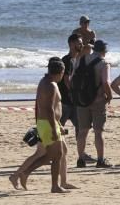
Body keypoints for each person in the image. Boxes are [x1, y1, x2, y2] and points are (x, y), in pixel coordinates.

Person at [10, 59, 78, 192]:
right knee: (56, 155)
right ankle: (54, 186)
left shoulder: (44, 81)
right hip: (48, 124)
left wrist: (58, 125)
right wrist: (54, 128)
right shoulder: (51, 85)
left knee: (50, 155)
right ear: (60, 72)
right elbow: (49, 109)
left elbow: (50, 108)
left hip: (47, 123)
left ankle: (26, 173)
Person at [73, 39, 112, 168]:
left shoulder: (81, 59)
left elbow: (74, 77)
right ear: (103, 52)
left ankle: (80, 159)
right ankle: (100, 160)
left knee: (82, 131)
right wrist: (110, 96)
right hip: (98, 101)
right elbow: (105, 82)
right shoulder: (104, 63)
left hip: (81, 100)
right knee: (98, 132)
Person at [59, 33, 84, 130]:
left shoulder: (75, 59)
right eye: (79, 43)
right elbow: (66, 80)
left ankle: (79, 145)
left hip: (72, 101)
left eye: (81, 43)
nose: (81, 45)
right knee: (58, 128)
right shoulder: (67, 60)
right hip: (65, 101)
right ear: (71, 44)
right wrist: (75, 94)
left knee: (80, 126)